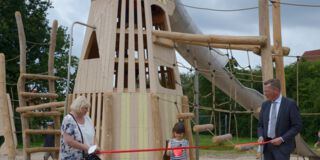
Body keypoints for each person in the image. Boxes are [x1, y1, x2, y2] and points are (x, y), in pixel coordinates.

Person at [257, 79, 302, 160]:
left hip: (282, 148)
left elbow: (297, 126)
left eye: (267, 91)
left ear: (276, 90)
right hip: (267, 147)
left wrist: (282, 139)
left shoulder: (290, 104)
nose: (265, 94)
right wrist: (260, 136)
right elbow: (260, 125)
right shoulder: (265, 105)